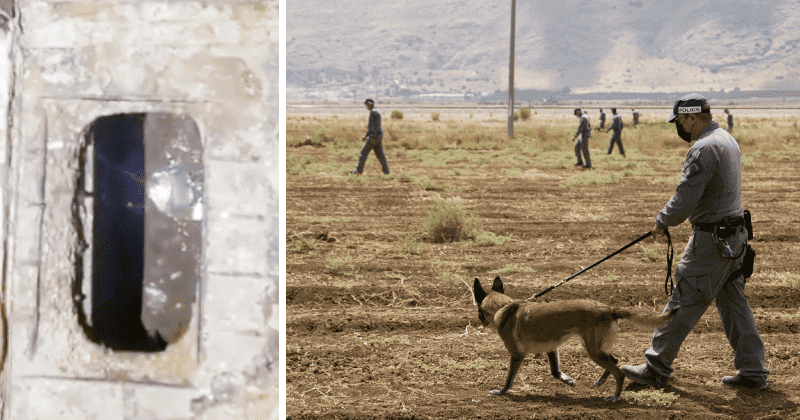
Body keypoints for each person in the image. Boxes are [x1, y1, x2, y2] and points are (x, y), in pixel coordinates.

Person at [622, 93, 770, 391]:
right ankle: (753, 370)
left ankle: (655, 366)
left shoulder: (704, 148)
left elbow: (686, 196)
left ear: (691, 117)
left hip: (711, 241)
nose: (679, 126)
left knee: (685, 298)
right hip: (735, 237)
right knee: (733, 302)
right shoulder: (726, 139)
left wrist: (663, 220)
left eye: (679, 120)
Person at [350, 99, 390, 175]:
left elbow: (373, 126)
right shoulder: (377, 111)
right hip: (378, 135)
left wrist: (371, 137)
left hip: (373, 136)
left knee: (363, 153)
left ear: (369, 104)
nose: (366, 106)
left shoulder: (373, 112)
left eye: (366, 105)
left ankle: (358, 171)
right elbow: (375, 126)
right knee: (380, 154)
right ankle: (386, 172)